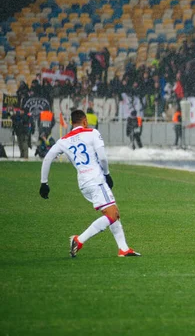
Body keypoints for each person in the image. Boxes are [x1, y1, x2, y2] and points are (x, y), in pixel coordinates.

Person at [39, 109, 140, 257]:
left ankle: (123, 248)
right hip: (96, 180)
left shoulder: (63, 140)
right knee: (112, 214)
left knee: (112, 211)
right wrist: (107, 174)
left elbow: (47, 158)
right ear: (85, 121)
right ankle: (79, 240)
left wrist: (44, 183)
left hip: (83, 183)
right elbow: (103, 158)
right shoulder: (92, 133)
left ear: (72, 123)